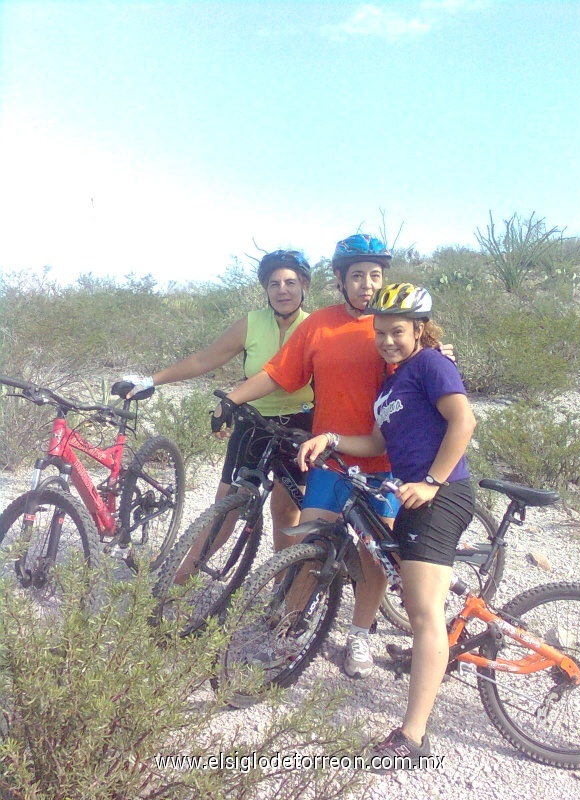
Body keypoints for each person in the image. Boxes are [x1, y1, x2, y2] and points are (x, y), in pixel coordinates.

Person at [212, 234, 454, 679]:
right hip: (334, 459)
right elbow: (277, 374)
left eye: (375, 275)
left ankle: (358, 634)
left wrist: (441, 355)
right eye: (357, 275)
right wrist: (232, 397)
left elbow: (432, 372)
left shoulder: (392, 327)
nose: (366, 284)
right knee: (310, 543)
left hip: (384, 462)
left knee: (373, 555)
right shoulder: (319, 324)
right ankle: (288, 626)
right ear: (340, 280)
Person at [296, 282, 476, 770]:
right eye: (380, 332)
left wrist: (434, 481)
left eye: (397, 331)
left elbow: (464, 422)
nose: (387, 340)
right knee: (410, 584)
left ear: (419, 329)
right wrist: (330, 437)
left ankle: (413, 736)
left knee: (421, 612)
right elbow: (377, 442)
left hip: (441, 493)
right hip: (414, 492)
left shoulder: (432, 364)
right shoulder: (394, 380)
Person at [125, 249, 314, 574]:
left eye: (290, 282)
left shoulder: (315, 327)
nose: (282, 290)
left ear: (304, 286)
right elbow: (204, 359)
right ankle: (179, 584)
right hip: (253, 422)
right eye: (274, 283)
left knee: (284, 510)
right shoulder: (252, 323)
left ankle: (283, 590)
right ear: (265, 289)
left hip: (299, 424)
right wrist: (150, 380)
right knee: (225, 505)